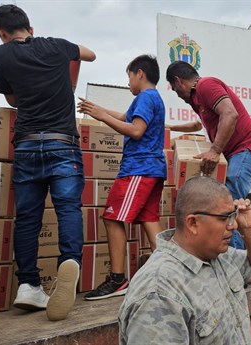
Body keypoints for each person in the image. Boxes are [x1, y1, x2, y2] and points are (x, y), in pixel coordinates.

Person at [0, 4, 96, 321]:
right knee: (66, 208)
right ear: (30, 28)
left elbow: (11, 99)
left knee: (27, 219)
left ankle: (28, 285)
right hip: (62, 142)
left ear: (1, 32)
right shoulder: (57, 45)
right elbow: (89, 54)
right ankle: (71, 261)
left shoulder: (0, 54)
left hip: (25, 145)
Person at [118, 176, 251, 344]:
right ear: (193, 223)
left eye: (232, 216)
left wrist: (249, 229)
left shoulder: (218, 255)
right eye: (224, 218)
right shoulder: (160, 291)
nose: (233, 225)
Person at [77, 55, 167, 301]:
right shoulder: (149, 98)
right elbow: (126, 119)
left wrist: (101, 116)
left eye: (128, 76)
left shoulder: (146, 97)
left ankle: (118, 279)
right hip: (152, 169)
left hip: (139, 168)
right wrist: (98, 111)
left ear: (140, 73)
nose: (127, 82)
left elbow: (136, 131)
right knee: (149, 219)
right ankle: (169, 275)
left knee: (112, 217)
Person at [165, 61, 251, 249]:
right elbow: (197, 125)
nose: (177, 95)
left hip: (248, 150)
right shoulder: (197, 99)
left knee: (228, 198)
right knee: (220, 200)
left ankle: (234, 262)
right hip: (237, 154)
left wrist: (214, 151)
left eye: (174, 89)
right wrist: (171, 127)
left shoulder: (206, 85)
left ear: (178, 81)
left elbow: (230, 114)